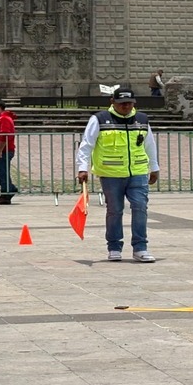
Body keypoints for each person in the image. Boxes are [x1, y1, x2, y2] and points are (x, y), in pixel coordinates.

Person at [76, 86, 160, 263]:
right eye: (122, 103)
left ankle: (140, 247)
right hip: (111, 174)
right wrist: (82, 168)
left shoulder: (142, 120)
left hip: (137, 172)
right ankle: (114, 246)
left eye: (129, 103)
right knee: (115, 210)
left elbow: (149, 145)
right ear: (112, 102)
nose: (126, 106)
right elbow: (86, 145)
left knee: (140, 208)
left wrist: (154, 167)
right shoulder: (100, 119)